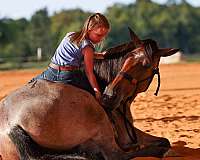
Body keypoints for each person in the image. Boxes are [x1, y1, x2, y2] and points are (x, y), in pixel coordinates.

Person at [31, 13, 110, 102]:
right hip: (68, 76)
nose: (101, 39)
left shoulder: (70, 35)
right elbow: (89, 72)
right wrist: (97, 91)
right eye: (98, 35)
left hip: (51, 72)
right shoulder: (88, 47)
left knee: (30, 85)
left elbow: (77, 53)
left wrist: (99, 55)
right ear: (89, 29)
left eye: (103, 36)